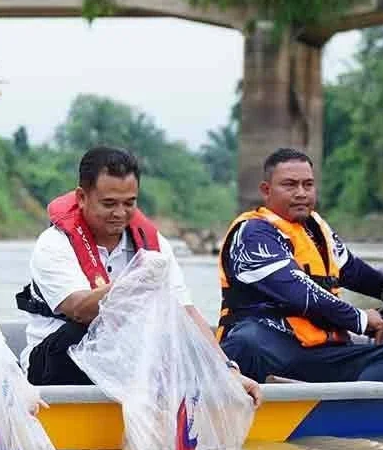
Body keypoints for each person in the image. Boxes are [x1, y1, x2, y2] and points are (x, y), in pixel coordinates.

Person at [16, 146, 261, 405]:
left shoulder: (154, 246)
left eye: (129, 203)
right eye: (109, 203)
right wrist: (133, 281)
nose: (120, 213)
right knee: (85, 332)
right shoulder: (54, 244)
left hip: (127, 363)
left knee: (176, 334)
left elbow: (186, 312)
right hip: (55, 364)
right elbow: (79, 310)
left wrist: (228, 372)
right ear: (82, 197)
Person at [217, 147, 383, 383]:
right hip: (268, 347)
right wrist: (361, 319)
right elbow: (298, 292)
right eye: (290, 185)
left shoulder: (316, 229)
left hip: (316, 353)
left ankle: (343, 407)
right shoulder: (252, 233)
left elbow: (361, 275)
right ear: (266, 190)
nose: (301, 193)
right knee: (247, 343)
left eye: (308, 185)